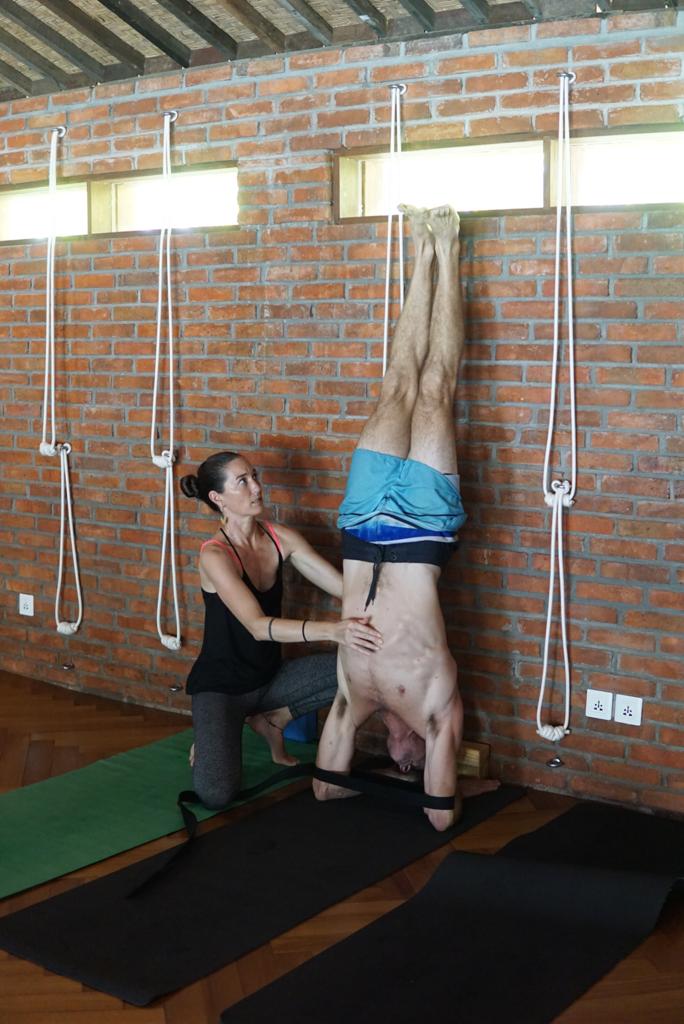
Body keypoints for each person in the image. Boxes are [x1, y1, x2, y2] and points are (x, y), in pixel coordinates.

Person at [313, 205, 498, 830]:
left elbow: (325, 790)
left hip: (361, 523)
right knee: (436, 386)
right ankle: (447, 249)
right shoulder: (437, 709)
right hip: (421, 527)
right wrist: (433, 772)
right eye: (411, 764)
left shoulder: (354, 696)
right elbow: (442, 818)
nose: (403, 763)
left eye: (400, 765)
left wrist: (365, 778)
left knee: (395, 385)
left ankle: (421, 252)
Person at [180, 452, 382, 809]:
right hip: (222, 689)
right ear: (218, 498)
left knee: (365, 666)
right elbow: (257, 627)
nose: (257, 487)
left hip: (271, 680)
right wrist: (334, 631)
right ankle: (212, 732)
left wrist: (396, 595)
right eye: (243, 481)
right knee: (215, 794)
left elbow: (343, 588)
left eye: (254, 476)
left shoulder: (280, 538)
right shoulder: (214, 556)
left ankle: (275, 720)